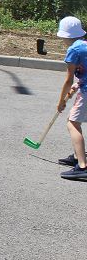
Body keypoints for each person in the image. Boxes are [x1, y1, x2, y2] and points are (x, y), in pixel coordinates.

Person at [56, 16, 87, 179]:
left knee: (72, 123)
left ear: (65, 36)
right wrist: (79, 83)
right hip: (84, 86)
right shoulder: (85, 45)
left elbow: (68, 79)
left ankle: (83, 166)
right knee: (74, 120)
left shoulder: (74, 50)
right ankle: (77, 156)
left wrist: (61, 101)